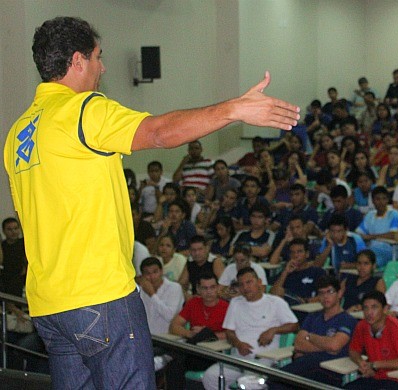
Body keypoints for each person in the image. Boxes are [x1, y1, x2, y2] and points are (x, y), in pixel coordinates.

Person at [2, 15, 299, 386]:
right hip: (98, 295)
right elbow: (157, 133)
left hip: (49, 304)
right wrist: (233, 109)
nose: (103, 66)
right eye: (97, 56)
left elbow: (25, 213)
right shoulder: (83, 110)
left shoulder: (18, 134)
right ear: (77, 61)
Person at [201, 267, 299, 390]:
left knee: (248, 383)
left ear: (259, 282)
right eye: (241, 284)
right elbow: (229, 332)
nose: (245, 287)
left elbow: (294, 325)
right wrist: (238, 343)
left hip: (264, 359)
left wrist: (273, 330)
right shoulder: (236, 303)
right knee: (210, 377)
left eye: (249, 282)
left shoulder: (275, 302)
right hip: (238, 358)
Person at [269, 275, 358, 389]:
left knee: (279, 382)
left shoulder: (347, 320)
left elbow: (334, 345)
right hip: (305, 363)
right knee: (274, 378)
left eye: (330, 292)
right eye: (321, 293)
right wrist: (327, 345)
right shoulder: (313, 316)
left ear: (339, 293)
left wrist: (310, 337)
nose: (325, 296)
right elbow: (298, 344)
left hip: (329, 370)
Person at [345, 290, 398, 390]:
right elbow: (353, 350)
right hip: (374, 377)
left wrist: (375, 365)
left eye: (374, 307)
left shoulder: (396, 328)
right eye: (366, 308)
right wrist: (362, 363)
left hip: (396, 379)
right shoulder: (362, 325)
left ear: (385, 309)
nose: (369, 312)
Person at [355, 186, 398, 268]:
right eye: (378, 199)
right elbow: (358, 233)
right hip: (370, 250)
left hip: (388, 251)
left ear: (388, 200)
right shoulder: (370, 215)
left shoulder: (394, 214)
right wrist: (362, 237)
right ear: (373, 201)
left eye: (384, 199)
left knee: (367, 263)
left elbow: (393, 235)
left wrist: (371, 237)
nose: (381, 202)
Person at [269, 238, 326, 305]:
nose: (295, 255)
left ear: (307, 254)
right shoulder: (286, 272)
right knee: (279, 291)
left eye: (299, 252)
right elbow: (272, 294)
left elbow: (325, 295)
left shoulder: (317, 272)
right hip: (287, 309)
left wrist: (306, 301)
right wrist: (285, 272)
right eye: (292, 252)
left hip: (307, 309)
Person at [0, 218, 27, 298]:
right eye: (9, 229)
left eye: (16, 228)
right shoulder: (3, 247)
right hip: (8, 281)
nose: (13, 232)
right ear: (4, 231)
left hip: (24, 279)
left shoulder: (25, 243)